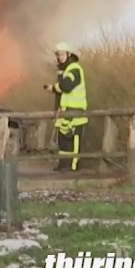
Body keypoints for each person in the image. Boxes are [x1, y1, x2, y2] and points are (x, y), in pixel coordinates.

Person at [43, 42, 88, 173]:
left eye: (62, 54)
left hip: (75, 112)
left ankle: (73, 167)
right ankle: (63, 165)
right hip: (65, 111)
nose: (59, 57)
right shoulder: (64, 70)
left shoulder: (74, 68)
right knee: (63, 140)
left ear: (69, 54)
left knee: (73, 140)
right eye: (58, 54)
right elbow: (63, 89)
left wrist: (54, 87)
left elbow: (66, 87)